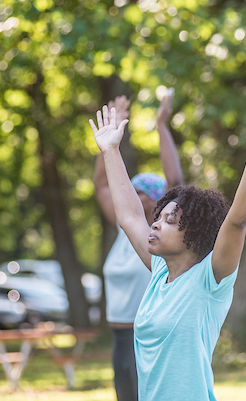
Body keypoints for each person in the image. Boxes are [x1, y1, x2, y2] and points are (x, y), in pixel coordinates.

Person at [89, 92, 246, 401]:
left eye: (169, 221)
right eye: (159, 217)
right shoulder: (159, 272)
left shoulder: (209, 281)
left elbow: (237, 220)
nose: (155, 224)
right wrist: (111, 150)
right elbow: (130, 214)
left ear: (192, 234)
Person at [93, 90, 184, 401]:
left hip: (146, 335)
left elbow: (176, 181)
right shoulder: (125, 230)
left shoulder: (157, 240)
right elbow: (104, 184)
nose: (134, 195)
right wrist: (108, 139)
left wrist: (161, 126)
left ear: (157, 199)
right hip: (117, 335)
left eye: (142, 191)